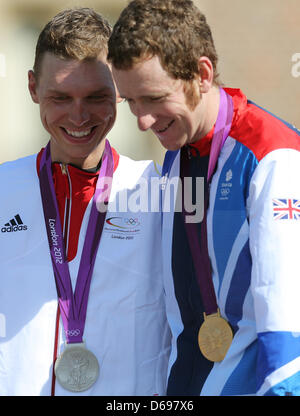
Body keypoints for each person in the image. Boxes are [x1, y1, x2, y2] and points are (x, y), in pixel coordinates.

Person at [108, 0, 300, 396]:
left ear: (202, 73)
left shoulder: (271, 156)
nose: (142, 120)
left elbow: (287, 320)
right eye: (131, 102)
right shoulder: (178, 154)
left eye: (154, 97)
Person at [0, 7, 170, 396]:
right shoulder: (3, 189)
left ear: (120, 91)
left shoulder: (157, 191)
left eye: (96, 97)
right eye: (60, 97)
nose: (78, 116)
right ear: (32, 88)